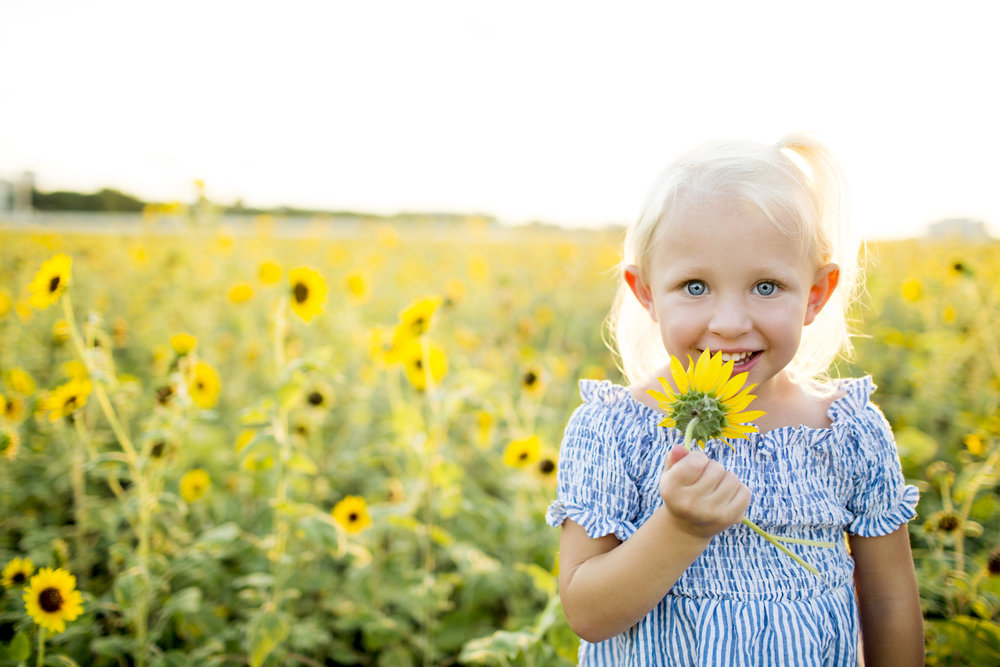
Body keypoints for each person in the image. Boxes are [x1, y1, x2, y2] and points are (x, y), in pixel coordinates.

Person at [545, 134, 924, 665]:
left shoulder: (845, 430)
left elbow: (889, 601)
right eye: (695, 286)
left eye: (766, 287)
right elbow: (588, 614)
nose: (729, 324)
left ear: (816, 293)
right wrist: (679, 529)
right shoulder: (614, 430)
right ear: (646, 292)